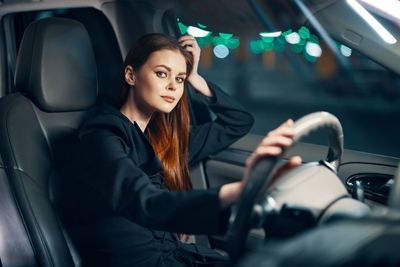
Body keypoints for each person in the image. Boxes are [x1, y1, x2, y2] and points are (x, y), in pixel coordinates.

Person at [61, 33, 301, 267]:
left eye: (179, 79)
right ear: (131, 75)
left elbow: (238, 123)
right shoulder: (101, 136)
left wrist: (195, 78)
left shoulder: (166, 142)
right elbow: (147, 202)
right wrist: (241, 189)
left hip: (178, 255)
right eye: (161, 74)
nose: (173, 87)